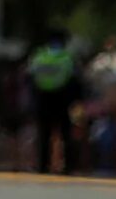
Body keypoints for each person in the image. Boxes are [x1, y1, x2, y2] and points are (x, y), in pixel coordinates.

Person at [29, 28, 80, 174]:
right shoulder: (66, 57)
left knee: (44, 135)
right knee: (65, 135)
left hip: (43, 99)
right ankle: (68, 166)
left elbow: (31, 78)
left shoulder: (39, 56)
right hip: (62, 99)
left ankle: (42, 166)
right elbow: (74, 80)